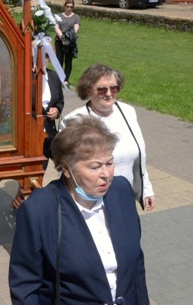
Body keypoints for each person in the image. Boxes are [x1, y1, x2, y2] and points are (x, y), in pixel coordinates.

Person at [9, 115, 150, 304]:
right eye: (95, 167)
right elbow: (25, 285)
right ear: (67, 169)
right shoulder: (39, 210)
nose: (106, 175)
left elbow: (136, 265)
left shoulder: (121, 190)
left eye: (109, 163)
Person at [62, 63, 155, 210]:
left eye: (114, 88)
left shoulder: (128, 112)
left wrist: (146, 190)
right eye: (101, 89)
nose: (109, 93)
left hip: (125, 196)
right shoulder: (74, 120)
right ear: (88, 91)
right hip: (90, 200)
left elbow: (139, 156)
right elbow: (68, 167)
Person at [42, 64, 64, 169]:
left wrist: (57, 110)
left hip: (49, 132)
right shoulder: (25, 75)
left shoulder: (53, 76)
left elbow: (60, 101)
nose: (42, 57)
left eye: (46, 55)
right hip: (30, 133)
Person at [54, 0, 80, 86]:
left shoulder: (76, 17)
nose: (69, 8)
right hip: (59, 41)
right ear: (64, 6)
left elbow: (76, 28)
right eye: (67, 6)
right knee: (59, 60)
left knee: (68, 61)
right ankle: (59, 78)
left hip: (70, 41)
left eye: (71, 7)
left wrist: (68, 38)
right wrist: (62, 38)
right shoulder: (58, 16)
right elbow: (56, 27)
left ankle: (66, 79)